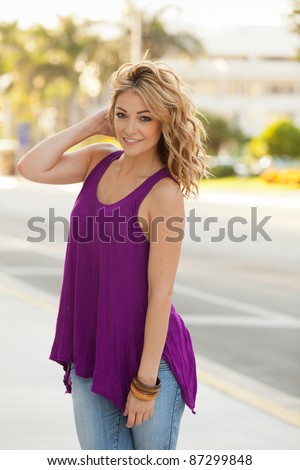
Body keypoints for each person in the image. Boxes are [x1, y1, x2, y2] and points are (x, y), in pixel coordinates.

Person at [17, 60, 208, 450]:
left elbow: (161, 295)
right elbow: (31, 166)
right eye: (121, 115)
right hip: (91, 347)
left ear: (164, 123)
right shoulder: (97, 161)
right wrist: (91, 126)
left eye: (144, 118)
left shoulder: (164, 194)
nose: (130, 129)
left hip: (150, 361)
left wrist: (145, 382)